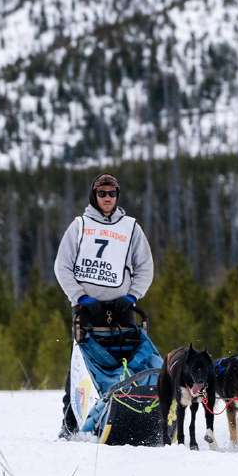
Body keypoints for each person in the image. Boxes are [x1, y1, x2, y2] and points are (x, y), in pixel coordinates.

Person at [54, 173, 154, 437]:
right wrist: (79, 297)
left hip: (122, 308)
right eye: (102, 194)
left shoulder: (130, 227)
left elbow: (145, 266)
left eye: (111, 194)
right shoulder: (80, 225)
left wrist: (132, 296)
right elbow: (62, 266)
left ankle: (136, 411)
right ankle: (71, 424)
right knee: (81, 365)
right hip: (88, 309)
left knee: (130, 362)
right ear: (94, 196)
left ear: (117, 196)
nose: (107, 198)